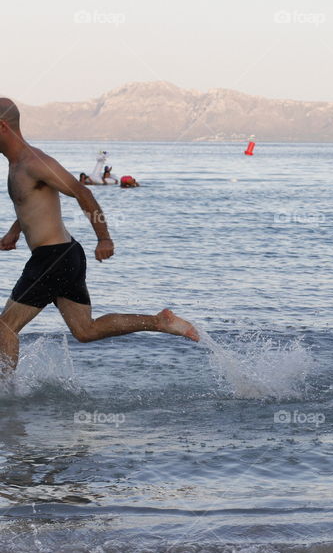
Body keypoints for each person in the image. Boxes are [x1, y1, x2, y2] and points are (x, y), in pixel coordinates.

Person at [0, 98, 199, 376]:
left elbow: (83, 192)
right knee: (85, 330)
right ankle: (159, 322)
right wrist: (14, 231)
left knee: (5, 328)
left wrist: (104, 238)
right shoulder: (18, 164)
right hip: (62, 256)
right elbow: (31, 205)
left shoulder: (34, 162)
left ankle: (7, 401)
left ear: (2, 126)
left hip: (53, 258)